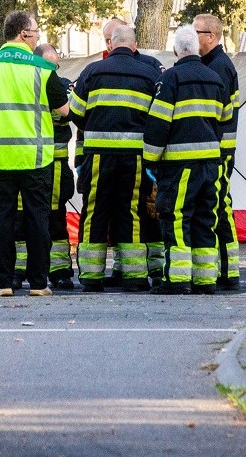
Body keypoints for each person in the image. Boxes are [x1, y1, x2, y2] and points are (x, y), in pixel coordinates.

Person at [0, 11, 69, 298]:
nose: (38, 36)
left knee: (2, 221)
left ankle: (3, 284)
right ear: (24, 34)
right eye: (36, 32)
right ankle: (38, 284)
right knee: (38, 220)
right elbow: (64, 111)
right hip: (36, 157)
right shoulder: (42, 67)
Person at [68, 25, 162, 292]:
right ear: (134, 46)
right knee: (130, 209)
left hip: (98, 153)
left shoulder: (92, 71)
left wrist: (95, 125)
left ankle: (91, 276)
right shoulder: (149, 73)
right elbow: (158, 116)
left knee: (95, 209)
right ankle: (134, 276)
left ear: (111, 46)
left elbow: (74, 111)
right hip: (135, 156)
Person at [143, 24, 231, 294]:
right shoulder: (215, 78)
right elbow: (225, 118)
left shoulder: (171, 78)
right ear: (195, 48)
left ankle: (178, 280)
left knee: (177, 218)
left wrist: (150, 160)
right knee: (205, 218)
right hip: (211, 163)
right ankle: (206, 280)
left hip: (180, 164)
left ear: (176, 50)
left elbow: (158, 124)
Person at [98, 18, 165, 286]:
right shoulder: (98, 69)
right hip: (115, 156)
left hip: (140, 156)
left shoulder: (150, 68)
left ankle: (155, 267)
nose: (107, 44)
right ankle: (124, 268)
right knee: (118, 214)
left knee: (145, 212)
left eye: (111, 38)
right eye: (105, 39)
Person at [11, 43, 77, 290]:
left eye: (56, 65)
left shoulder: (63, 84)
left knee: (56, 216)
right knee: (20, 218)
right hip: (28, 159)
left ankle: (60, 270)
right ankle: (19, 270)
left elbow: (68, 113)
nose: (54, 70)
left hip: (57, 162)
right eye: (49, 65)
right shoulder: (29, 84)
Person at [195, 13, 241, 290]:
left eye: (196, 32)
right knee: (217, 206)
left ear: (211, 36)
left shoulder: (219, 67)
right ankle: (225, 270)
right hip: (217, 150)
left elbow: (217, 115)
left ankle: (228, 271)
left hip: (220, 151)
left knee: (220, 207)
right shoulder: (213, 64)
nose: (192, 36)